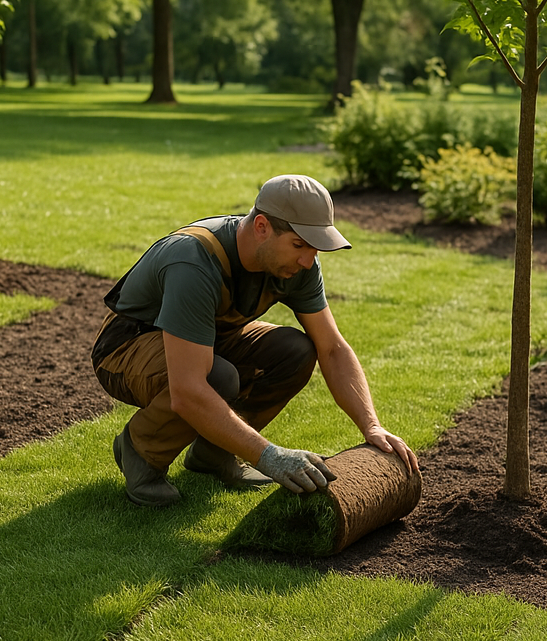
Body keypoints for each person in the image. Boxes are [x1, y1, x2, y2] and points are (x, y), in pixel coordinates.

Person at [91, 173, 414, 507]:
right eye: (299, 245)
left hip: (208, 338)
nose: (308, 260)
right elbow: (188, 390)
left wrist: (371, 426)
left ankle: (213, 455)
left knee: (295, 352)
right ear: (261, 227)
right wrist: (269, 456)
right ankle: (141, 450)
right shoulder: (193, 261)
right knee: (215, 377)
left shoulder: (299, 265)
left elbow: (331, 348)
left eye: (315, 248)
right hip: (126, 348)